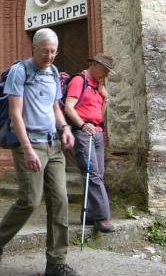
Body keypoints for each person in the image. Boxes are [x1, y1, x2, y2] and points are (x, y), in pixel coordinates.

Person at [0, 28, 78, 276]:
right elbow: (15, 113)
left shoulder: (54, 71)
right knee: (30, 200)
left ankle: (56, 262)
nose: (49, 56)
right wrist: (27, 149)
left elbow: (55, 106)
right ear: (34, 48)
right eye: (45, 51)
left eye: (53, 51)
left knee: (60, 200)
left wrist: (65, 128)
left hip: (53, 145)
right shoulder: (20, 71)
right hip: (30, 144)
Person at [64, 54, 115, 233]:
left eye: (108, 72)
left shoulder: (97, 86)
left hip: (98, 132)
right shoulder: (80, 80)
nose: (106, 75)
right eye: (105, 70)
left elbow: (99, 115)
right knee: (92, 173)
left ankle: (90, 215)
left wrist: (105, 99)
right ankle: (102, 217)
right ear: (94, 65)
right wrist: (82, 125)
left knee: (97, 175)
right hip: (84, 133)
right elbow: (69, 107)